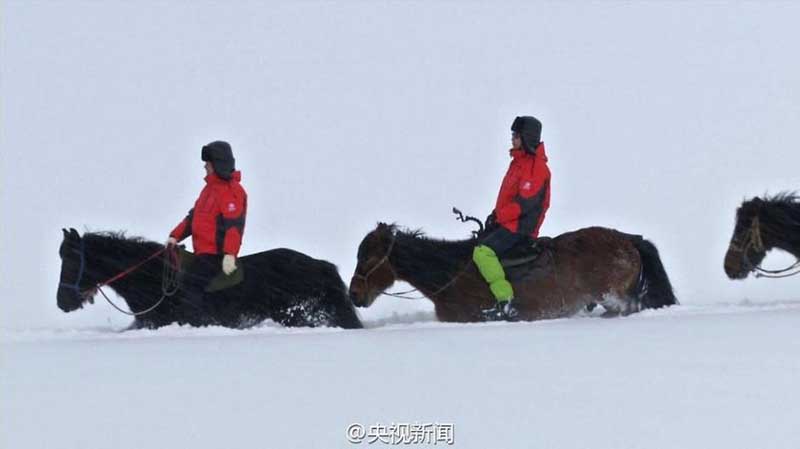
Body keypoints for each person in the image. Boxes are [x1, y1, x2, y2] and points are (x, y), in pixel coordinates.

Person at [474, 116, 551, 321]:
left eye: (516, 135)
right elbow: (507, 199)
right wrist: (494, 216)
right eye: (512, 135)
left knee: (483, 253)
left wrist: (498, 217)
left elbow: (524, 204)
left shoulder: (536, 168)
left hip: (521, 227)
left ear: (526, 137)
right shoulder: (518, 163)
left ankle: (505, 303)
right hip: (509, 222)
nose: (512, 139)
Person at [167, 140, 247, 310]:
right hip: (201, 253)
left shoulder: (232, 191)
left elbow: (234, 226)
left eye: (208, 164)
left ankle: (196, 322)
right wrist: (174, 236)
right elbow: (192, 218)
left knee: (192, 283)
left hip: (215, 255)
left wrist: (230, 254)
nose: (205, 167)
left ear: (218, 164)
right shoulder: (209, 190)